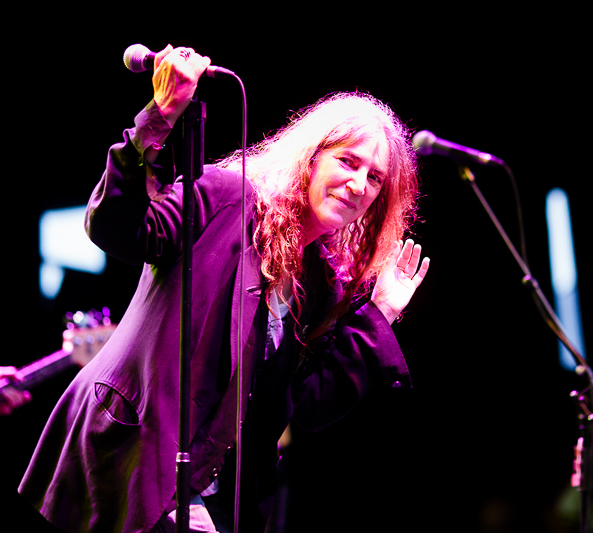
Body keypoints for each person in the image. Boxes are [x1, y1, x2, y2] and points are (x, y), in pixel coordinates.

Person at [18, 44, 429, 533]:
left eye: (375, 178)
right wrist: (160, 116)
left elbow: (309, 405)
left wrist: (378, 314)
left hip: (207, 497)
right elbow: (117, 228)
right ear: (312, 159)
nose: (359, 183)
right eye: (348, 162)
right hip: (129, 460)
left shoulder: (318, 280)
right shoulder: (229, 197)